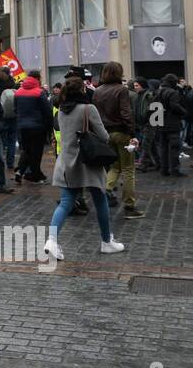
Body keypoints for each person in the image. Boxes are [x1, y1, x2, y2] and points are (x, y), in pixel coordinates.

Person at [42, 76, 125, 261]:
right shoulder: (88, 109)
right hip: (88, 163)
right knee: (100, 199)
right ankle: (106, 241)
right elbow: (104, 137)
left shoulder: (61, 111)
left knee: (66, 202)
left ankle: (51, 240)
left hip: (66, 162)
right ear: (82, 91)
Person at [93, 61, 144, 218]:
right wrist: (133, 134)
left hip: (106, 134)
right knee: (128, 169)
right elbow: (126, 113)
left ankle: (105, 191)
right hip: (122, 133)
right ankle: (129, 206)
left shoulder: (98, 91)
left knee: (115, 167)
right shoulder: (121, 90)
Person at [13, 71, 53, 184]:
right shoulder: (39, 92)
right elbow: (47, 111)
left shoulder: (18, 92)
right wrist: (50, 126)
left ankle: (21, 171)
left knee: (26, 150)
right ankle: (35, 175)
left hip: (22, 126)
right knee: (36, 152)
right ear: (37, 78)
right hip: (38, 127)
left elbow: (15, 109)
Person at [0, 67, 18, 170]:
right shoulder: (12, 83)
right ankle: (10, 163)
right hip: (13, 115)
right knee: (12, 140)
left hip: (0, 116)